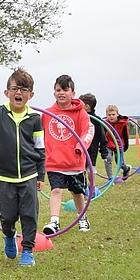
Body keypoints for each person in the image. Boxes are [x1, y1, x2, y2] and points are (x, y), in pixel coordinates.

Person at [0, 68, 45, 266]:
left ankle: (28, 250)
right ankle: (9, 236)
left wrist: (41, 176)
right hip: (6, 178)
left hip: (29, 176)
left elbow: (40, 149)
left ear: (31, 94)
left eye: (24, 89)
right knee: (7, 217)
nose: (18, 93)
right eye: (14, 88)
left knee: (30, 215)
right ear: (7, 92)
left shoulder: (35, 119)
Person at [40, 75, 94, 234]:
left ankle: (82, 217)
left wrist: (80, 146)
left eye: (65, 89)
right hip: (54, 162)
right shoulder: (47, 113)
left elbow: (88, 130)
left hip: (74, 162)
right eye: (57, 90)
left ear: (73, 93)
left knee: (77, 192)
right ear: (53, 93)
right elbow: (37, 133)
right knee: (56, 190)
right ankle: (54, 222)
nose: (61, 93)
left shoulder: (80, 113)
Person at [79, 93, 114, 180]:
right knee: (80, 171)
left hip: (92, 151)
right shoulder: (78, 117)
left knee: (90, 171)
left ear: (87, 106)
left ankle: (92, 189)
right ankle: (83, 190)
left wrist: (104, 154)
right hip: (80, 149)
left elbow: (102, 138)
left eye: (80, 104)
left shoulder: (97, 120)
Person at [105, 104, 132, 177]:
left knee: (119, 163)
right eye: (109, 115)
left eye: (113, 114)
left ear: (117, 114)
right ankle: (110, 178)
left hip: (119, 145)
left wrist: (125, 147)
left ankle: (126, 169)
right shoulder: (105, 123)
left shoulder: (123, 123)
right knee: (108, 159)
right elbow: (103, 135)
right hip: (109, 144)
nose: (111, 116)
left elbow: (126, 136)